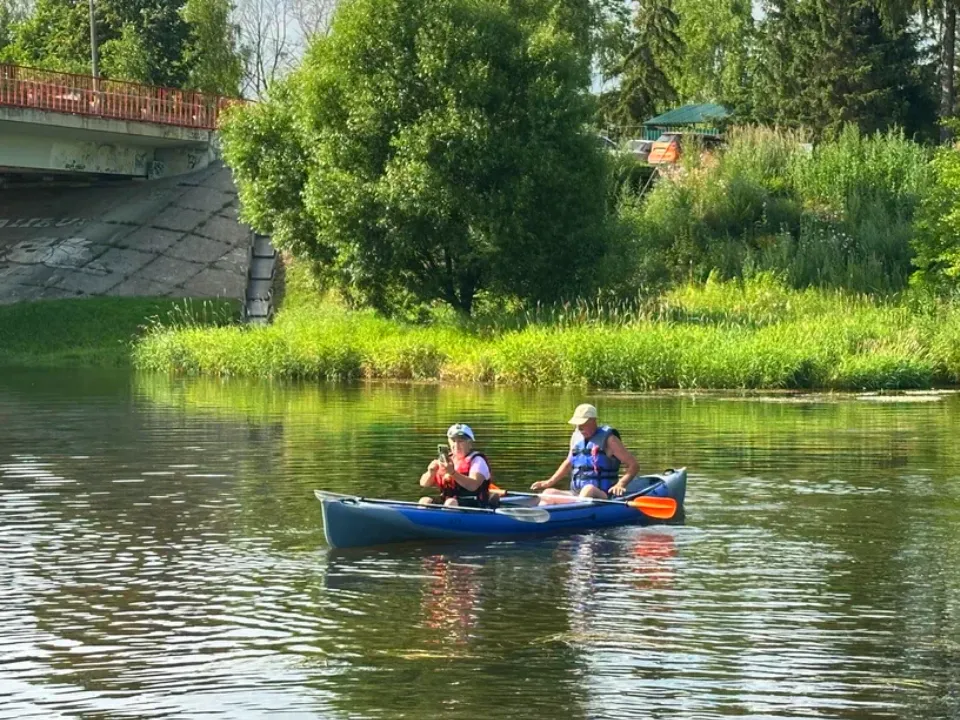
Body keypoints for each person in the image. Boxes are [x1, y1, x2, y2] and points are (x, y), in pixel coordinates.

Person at [531, 403, 639, 503]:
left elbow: (633, 465)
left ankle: (575, 512)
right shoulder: (576, 437)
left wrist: (621, 484)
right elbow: (568, 463)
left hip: (603, 495)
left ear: (593, 421)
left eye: (583, 423)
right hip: (577, 493)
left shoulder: (610, 440)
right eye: (577, 424)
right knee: (548, 493)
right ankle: (540, 515)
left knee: (588, 489)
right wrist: (548, 482)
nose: (579, 427)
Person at [419, 423, 496, 508]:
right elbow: (424, 483)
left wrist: (452, 473)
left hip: (474, 503)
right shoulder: (445, 460)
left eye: (461, 441)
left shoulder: (478, 461)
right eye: (453, 441)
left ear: (470, 443)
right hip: (449, 501)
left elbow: (473, 486)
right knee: (424, 501)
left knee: (450, 503)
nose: (456, 445)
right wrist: (431, 472)